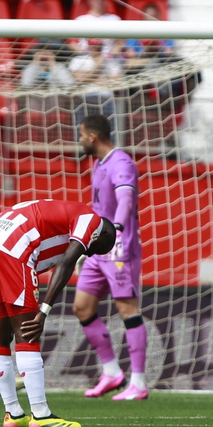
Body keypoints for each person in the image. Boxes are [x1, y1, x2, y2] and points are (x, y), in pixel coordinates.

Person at [0, 198, 118, 427]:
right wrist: (43, 311)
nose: (90, 255)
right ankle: (41, 415)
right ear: (102, 235)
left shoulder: (61, 225)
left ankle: (13, 413)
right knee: (28, 331)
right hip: (13, 247)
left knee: (0, 334)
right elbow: (66, 263)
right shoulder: (91, 221)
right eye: (95, 250)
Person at [68, 114, 148, 402]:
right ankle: (112, 372)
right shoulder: (99, 164)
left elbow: (126, 198)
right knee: (82, 307)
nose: (79, 140)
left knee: (128, 310)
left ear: (92, 136)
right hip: (97, 249)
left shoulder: (121, 163)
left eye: (81, 134)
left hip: (119, 249)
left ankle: (138, 382)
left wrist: (116, 229)